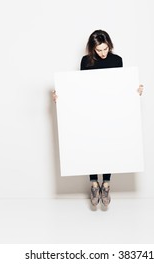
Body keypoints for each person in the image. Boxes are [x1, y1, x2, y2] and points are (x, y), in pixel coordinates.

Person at [52, 29, 143, 207]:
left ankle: (106, 184)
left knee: (108, 142)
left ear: (109, 46)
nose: (102, 53)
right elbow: (79, 88)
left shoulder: (117, 60)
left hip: (111, 108)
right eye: (98, 50)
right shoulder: (86, 61)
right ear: (92, 48)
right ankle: (94, 183)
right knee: (91, 142)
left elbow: (121, 86)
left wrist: (135, 90)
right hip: (90, 108)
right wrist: (61, 95)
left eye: (105, 49)